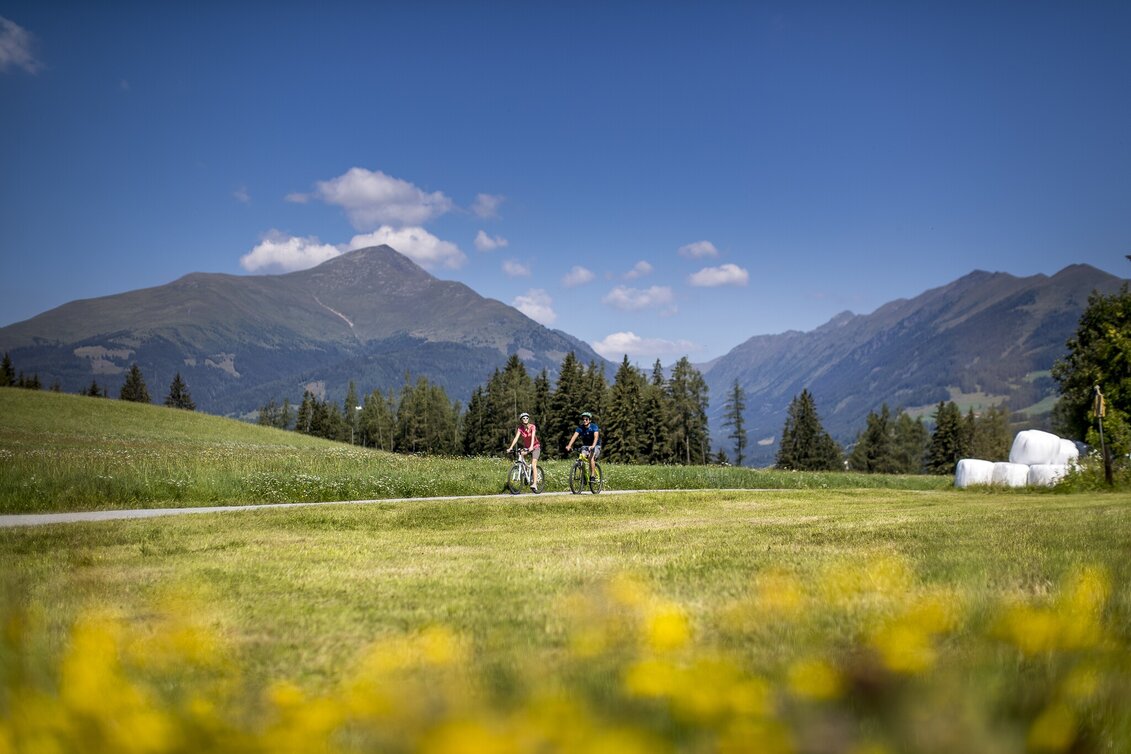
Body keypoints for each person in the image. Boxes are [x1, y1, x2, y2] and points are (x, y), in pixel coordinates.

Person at [506, 411, 541, 492]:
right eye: (523, 418)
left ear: (528, 419)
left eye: (526, 418)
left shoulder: (532, 427)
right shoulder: (520, 428)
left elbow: (532, 437)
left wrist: (532, 446)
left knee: (533, 464)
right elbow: (516, 438)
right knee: (520, 454)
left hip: (535, 447)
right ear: (521, 420)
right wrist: (510, 447)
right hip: (527, 448)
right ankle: (526, 473)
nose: (525, 419)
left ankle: (535, 484)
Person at [565, 411, 601, 480]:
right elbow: (574, 437)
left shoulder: (594, 427)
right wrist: (569, 445)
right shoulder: (580, 428)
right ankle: (583, 476)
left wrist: (593, 446)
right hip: (586, 446)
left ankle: (593, 475)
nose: (584, 421)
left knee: (591, 457)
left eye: (586, 419)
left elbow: (596, 437)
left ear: (590, 420)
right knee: (581, 458)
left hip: (596, 446)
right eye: (583, 419)